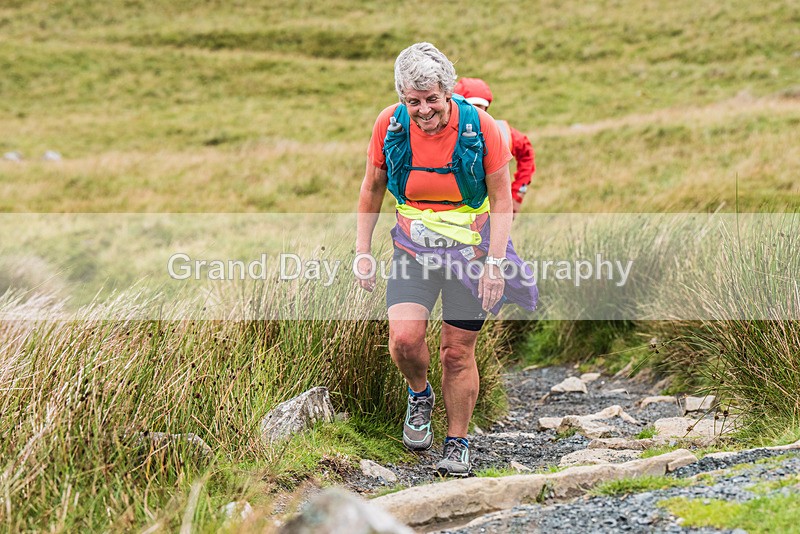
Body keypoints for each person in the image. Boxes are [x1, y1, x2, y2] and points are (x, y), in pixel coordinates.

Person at [355, 42, 537, 477]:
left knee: (457, 353)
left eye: (431, 99)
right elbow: (372, 188)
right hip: (411, 252)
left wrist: (494, 264)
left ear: (449, 92)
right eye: (412, 101)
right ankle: (420, 396)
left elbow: (501, 200)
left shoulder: (482, 128)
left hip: (470, 256)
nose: (422, 110)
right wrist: (362, 251)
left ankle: (457, 443)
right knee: (403, 340)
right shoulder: (389, 124)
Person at [453, 78, 535, 218]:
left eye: (481, 106)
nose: (476, 112)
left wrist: (517, 195)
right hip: (451, 214)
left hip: (491, 213)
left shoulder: (503, 132)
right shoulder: (441, 132)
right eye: (470, 106)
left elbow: (527, 155)